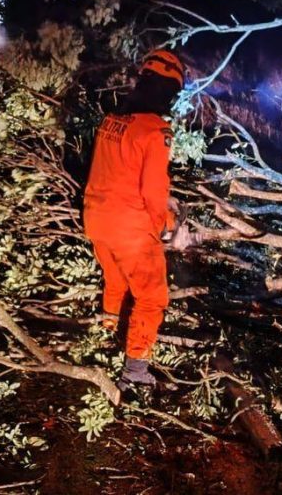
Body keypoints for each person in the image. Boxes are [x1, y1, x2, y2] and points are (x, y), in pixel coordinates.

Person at [83, 49, 192, 390]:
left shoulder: (111, 120)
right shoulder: (156, 130)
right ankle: (135, 373)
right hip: (130, 229)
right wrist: (171, 225)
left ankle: (104, 337)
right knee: (152, 298)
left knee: (115, 282)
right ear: (169, 90)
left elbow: (115, 172)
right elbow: (152, 192)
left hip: (96, 220)